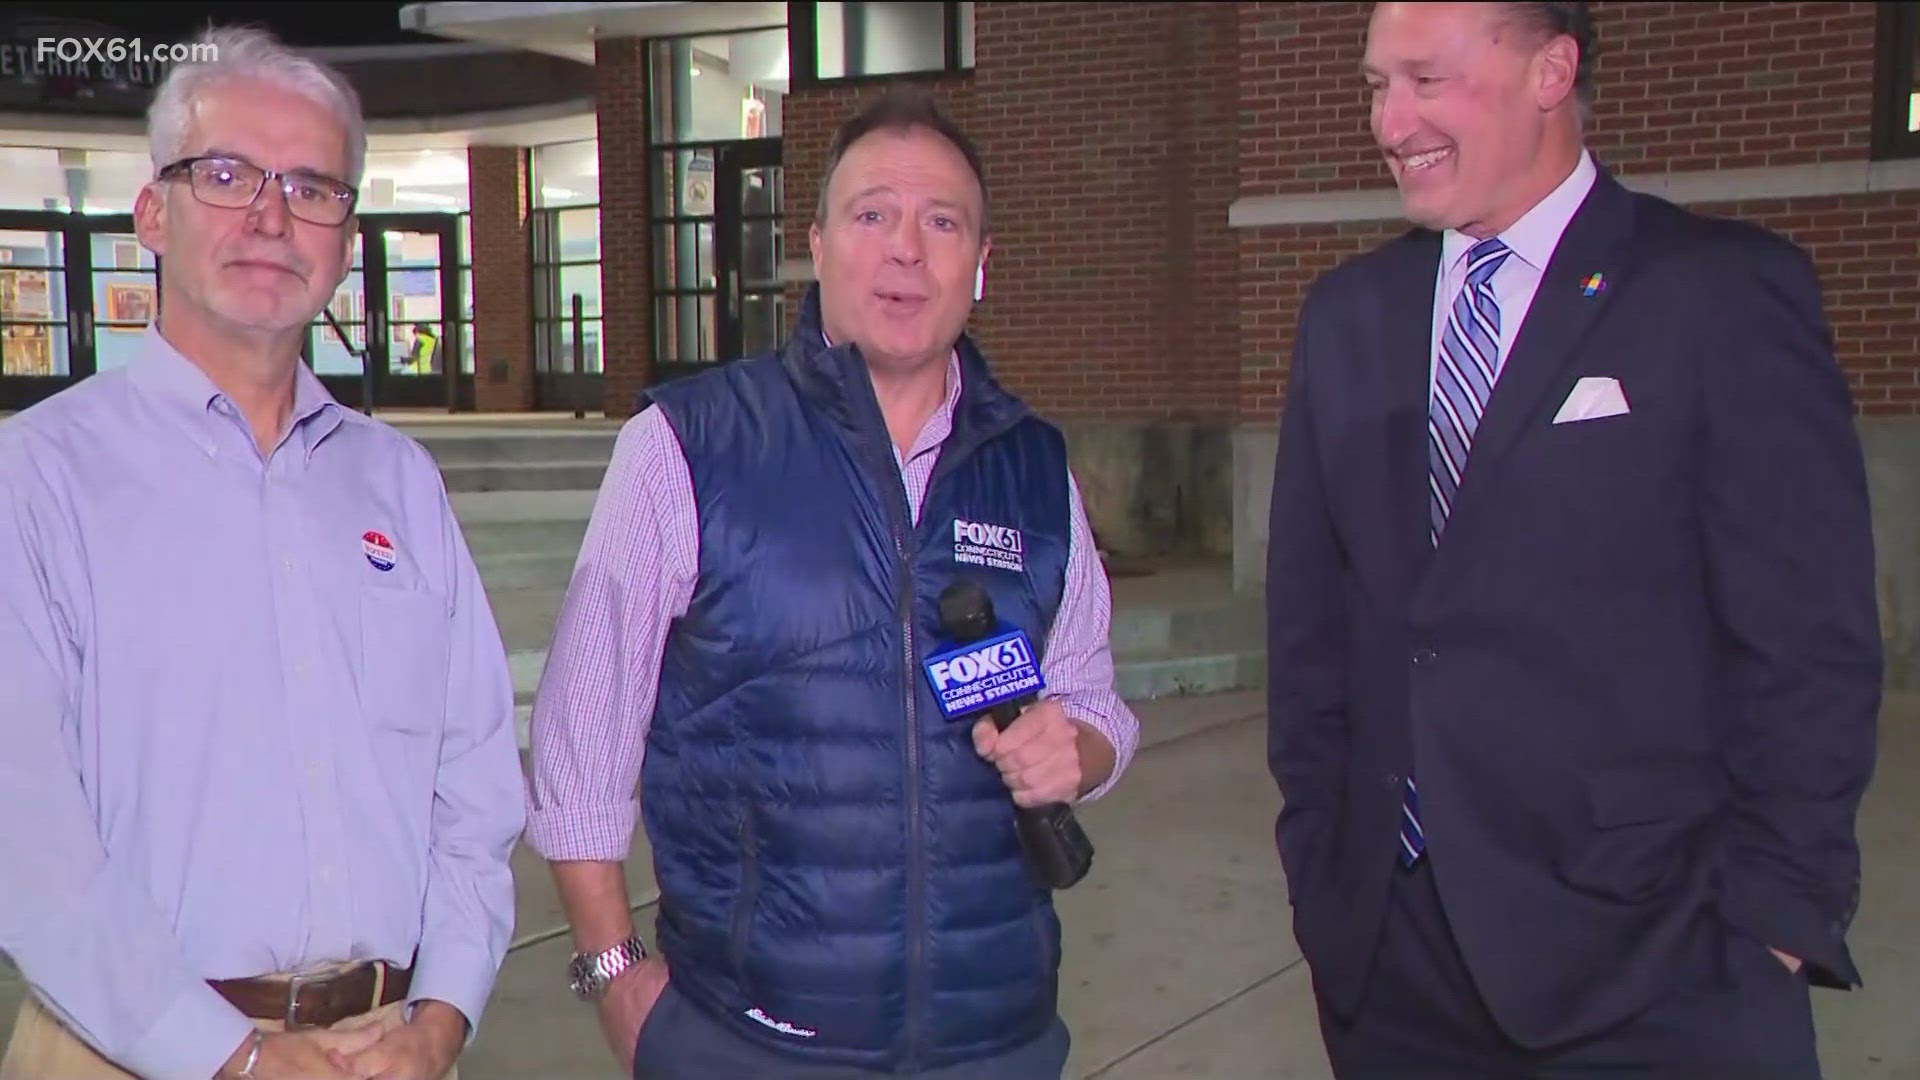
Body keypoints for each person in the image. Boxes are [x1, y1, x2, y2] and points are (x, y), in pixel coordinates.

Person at [1264, 2, 1881, 1075]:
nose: (1389, 120)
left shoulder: (1719, 294)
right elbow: (1310, 630)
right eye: (1375, 85)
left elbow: (1808, 643)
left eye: (1423, 79)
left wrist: (1776, 924)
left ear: (1551, 70)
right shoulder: (1346, 316)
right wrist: (1328, 880)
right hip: (1393, 968)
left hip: (1655, 968)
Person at [526, 88, 1140, 1080]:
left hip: (996, 1039)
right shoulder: (688, 446)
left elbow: (1096, 697)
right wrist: (615, 977)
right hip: (749, 1040)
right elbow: (581, 737)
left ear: (983, 264)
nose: (907, 248)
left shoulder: (1034, 466)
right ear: (814, 242)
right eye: (873, 215)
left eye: (943, 222)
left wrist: (1080, 747)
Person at [0, 26, 523, 1080]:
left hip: (392, 1048)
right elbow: (26, 832)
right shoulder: (37, 479)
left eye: (313, 187)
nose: (271, 217)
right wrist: (229, 1055)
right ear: (153, 211)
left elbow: (474, 788)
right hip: (128, 1051)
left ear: (344, 236)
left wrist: (445, 1013)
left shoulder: (400, 487)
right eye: (228, 174)